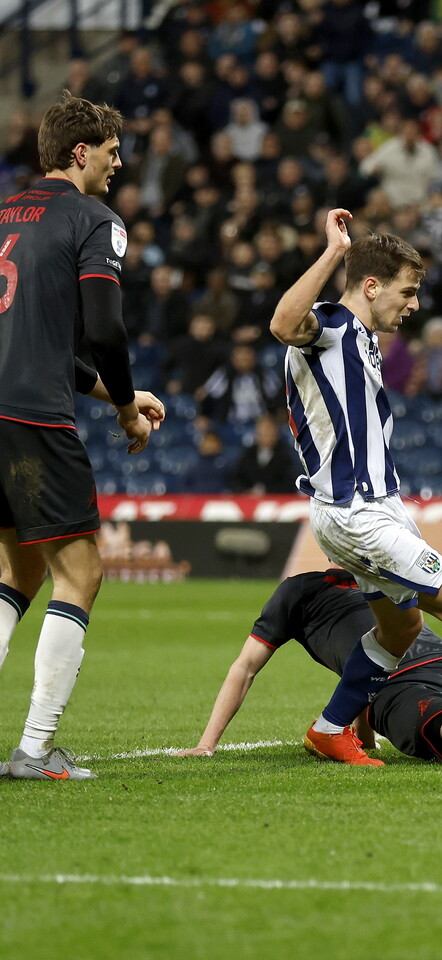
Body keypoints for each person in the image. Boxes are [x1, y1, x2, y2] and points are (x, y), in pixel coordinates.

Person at [269, 208, 442, 770]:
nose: (415, 305)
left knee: (401, 629)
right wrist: (334, 253)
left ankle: (330, 730)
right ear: (370, 286)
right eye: (408, 291)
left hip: (372, 511)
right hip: (357, 513)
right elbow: (282, 323)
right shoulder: (329, 328)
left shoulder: (363, 340)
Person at [0, 92, 165, 781]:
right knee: (82, 573)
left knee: (16, 570)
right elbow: (104, 330)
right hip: (34, 415)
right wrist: (126, 409)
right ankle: (36, 751)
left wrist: (117, 395)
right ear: (80, 153)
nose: (118, 163)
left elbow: (38, 340)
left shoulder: (4, 215)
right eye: (111, 151)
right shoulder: (95, 220)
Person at [175, 570, 442, 770]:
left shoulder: (378, 576)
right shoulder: (304, 592)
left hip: (423, 673)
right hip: (419, 674)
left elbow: (251, 667)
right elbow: (246, 667)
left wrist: (362, 735)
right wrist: (206, 743)